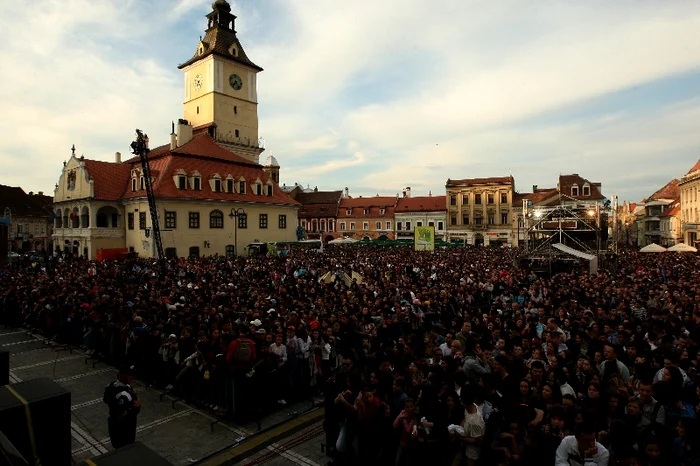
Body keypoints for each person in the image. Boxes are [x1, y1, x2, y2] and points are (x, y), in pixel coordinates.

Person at [103, 364, 141, 449]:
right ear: (123, 375)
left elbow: (105, 399)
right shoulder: (123, 394)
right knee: (125, 447)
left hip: (114, 421)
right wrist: (137, 406)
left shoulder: (111, 385)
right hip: (124, 427)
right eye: (131, 375)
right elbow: (122, 414)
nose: (133, 377)